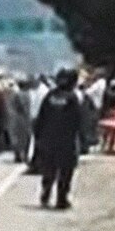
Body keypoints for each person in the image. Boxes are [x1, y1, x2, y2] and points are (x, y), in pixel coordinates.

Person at [34, 68, 83, 209]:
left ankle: (46, 192)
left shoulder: (50, 96)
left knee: (49, 169)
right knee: (65, 171)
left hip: (48, 140)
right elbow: (77, 120)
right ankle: (61, 199)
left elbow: (40, 118)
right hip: (66, 142)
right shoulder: (72, 98)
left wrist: (38, 137)